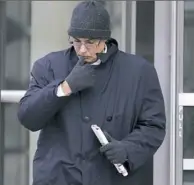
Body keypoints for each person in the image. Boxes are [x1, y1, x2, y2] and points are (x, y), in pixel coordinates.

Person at [17, 1, 166, 185]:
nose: (81, 49)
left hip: (110, 177)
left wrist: (127, 149)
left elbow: (154, 125)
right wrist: (65, 87)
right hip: (59, 177)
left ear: (105, 40)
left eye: (90, 42)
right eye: (76, 41)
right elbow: (28, 117)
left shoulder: (139, 71)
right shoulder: (48, 66)